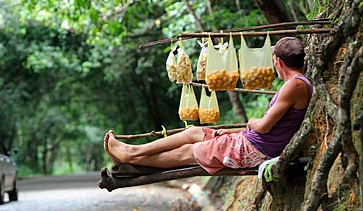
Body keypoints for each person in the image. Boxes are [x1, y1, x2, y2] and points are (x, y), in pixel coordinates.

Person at [104, 37, 313, 174]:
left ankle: (131, 157)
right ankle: (132, 150)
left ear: (278, 62)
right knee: (193, 132)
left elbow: (265, 126)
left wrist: (252, 121)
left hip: (254, 149)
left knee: (189, 150)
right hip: (250, 143)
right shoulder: (296, 84)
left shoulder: (294, 85)